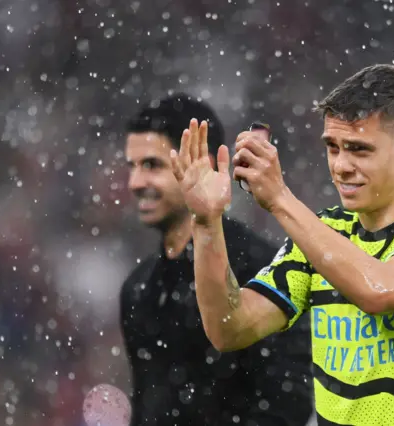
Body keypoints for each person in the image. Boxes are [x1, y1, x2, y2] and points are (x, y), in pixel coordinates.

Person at [171, 65, 394, 426]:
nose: (341, 166)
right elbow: (229, 327)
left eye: (359, 149)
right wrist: (205, 223)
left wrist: (280, 198)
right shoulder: (323, 232)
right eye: (333, 147)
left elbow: (380, 291)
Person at [120, 93, 313, 426]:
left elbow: (287, 404)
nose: (135, 182)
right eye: (132, 167)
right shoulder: (138, 288)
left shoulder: (264, 268)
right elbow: (146, 404)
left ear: (202, 164)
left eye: (152, 165)